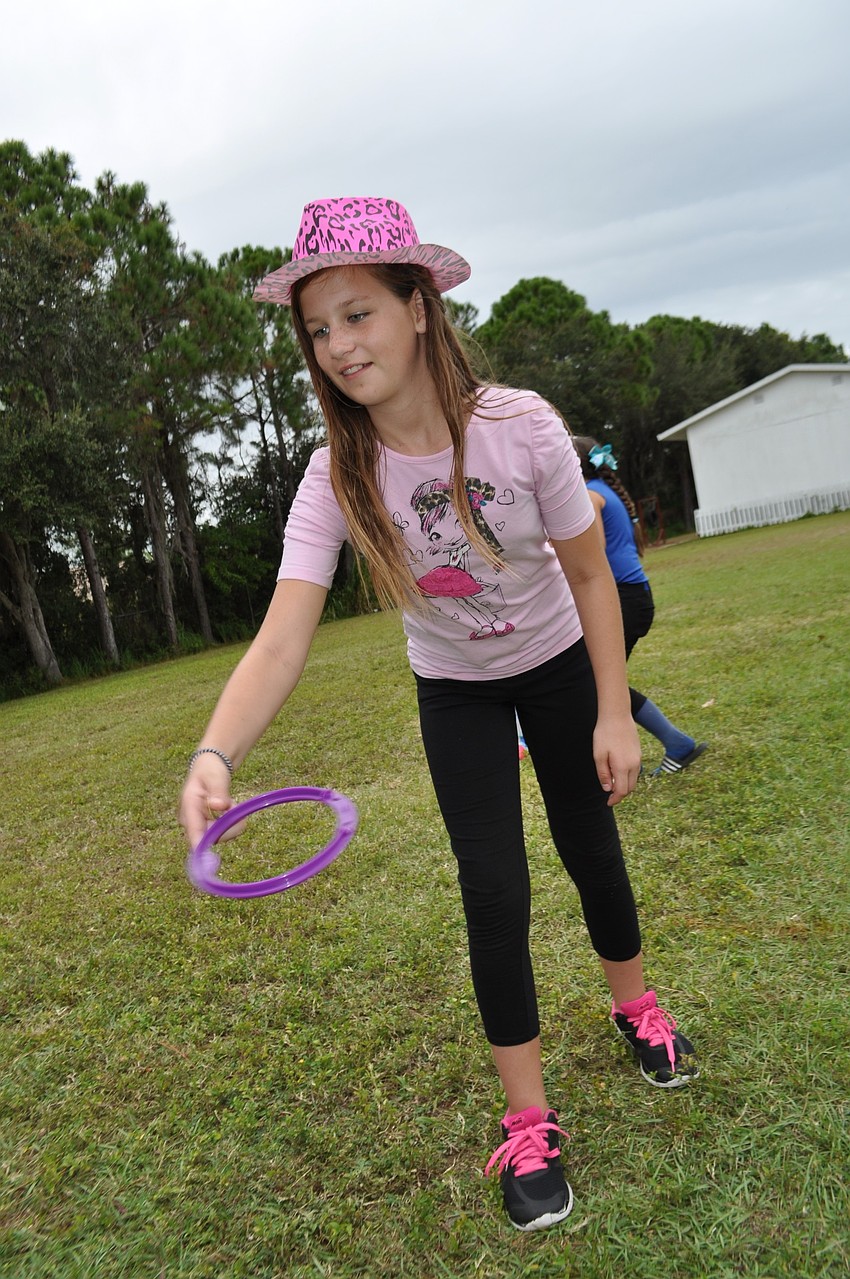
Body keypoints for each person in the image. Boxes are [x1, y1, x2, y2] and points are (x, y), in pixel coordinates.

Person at [179, 198, 699, 1234]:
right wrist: (214, 750)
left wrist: (610, 710)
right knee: (493, 890)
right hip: (452, 684)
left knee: (588, 845)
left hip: (555, 660)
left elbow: (592, 577)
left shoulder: (519, 429)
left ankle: (635, 1003)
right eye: (319, 329)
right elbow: (283, 636)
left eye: (358, 314)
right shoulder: (337, 475)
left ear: (419, 308)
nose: (337, 346)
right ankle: (527, 1116)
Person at [572, 437, 708, 778]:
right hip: (634, 596)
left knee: (597, 684)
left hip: (623, 599)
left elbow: (595, 549)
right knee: (596, 683)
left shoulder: (589, 495)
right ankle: (674, 742)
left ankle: (676, 743)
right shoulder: (603, 488)